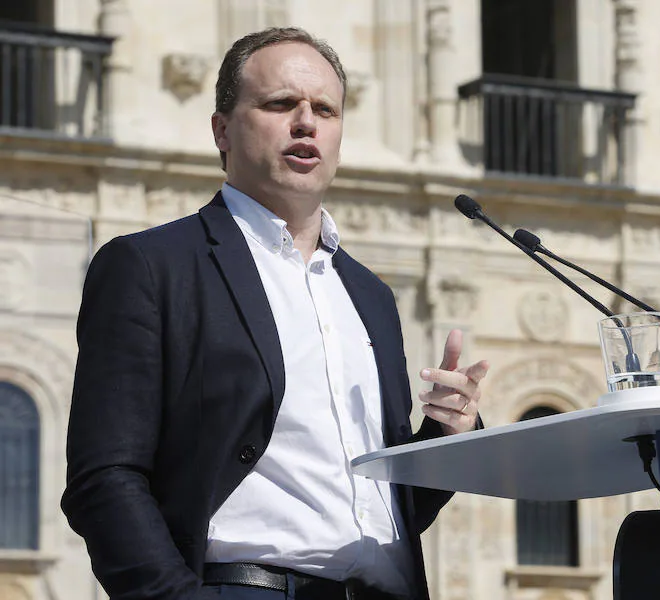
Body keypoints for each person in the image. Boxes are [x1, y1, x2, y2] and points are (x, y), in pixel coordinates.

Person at [61, 27, 489, 600]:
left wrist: (445, 432)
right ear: (222, 130)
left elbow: (380, 511)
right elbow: (104, 478)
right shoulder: (151, 267)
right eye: (281, 103)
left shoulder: (370, 296)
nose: (307, 122)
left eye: (326, 110)